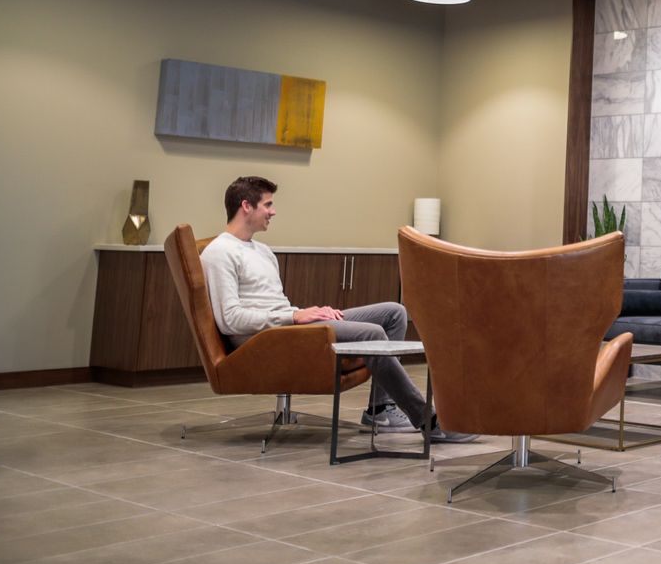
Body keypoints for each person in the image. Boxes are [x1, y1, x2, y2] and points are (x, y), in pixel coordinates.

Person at [200, 175, 474, 442]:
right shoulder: (219, 252)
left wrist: (308, 312)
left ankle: (380, 410)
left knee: (394, 312)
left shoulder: (262, 251)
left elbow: (274, 304)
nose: (273, 212)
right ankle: (427, 420)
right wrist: (294, 316)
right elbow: (230, 320)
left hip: (286, 326)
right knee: (371, 334)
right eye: (267, 204)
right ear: (246, 206)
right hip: (262, 339)